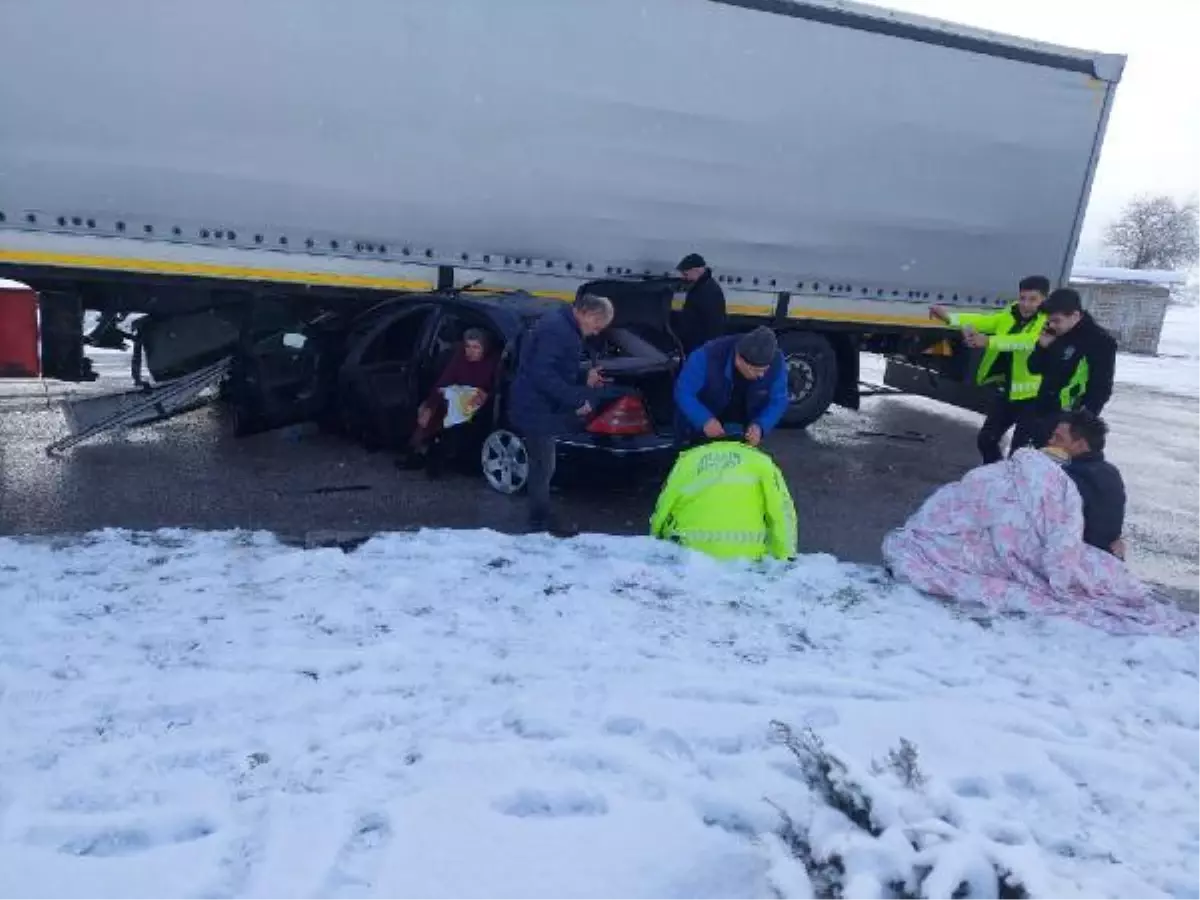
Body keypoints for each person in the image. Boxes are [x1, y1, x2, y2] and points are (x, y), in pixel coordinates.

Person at [509, 293, 614, 535]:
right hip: (535, 406)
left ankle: (540, 517)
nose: (597, 332)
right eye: (597, 325)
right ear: (588, 314)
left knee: (543, 465)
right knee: (543, 465)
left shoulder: (561, 323)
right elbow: (543, 375)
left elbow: (553, 368)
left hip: (536, 403)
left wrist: (582, 377)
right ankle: (538, 522)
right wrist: (577, 398)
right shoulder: (560, 331)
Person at [930, 275, 1048, 463]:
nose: (1026, 304)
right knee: (986, 440)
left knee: (1020, 452)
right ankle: (997, 477)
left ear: (1044, 299)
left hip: (1033, 397)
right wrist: (950, 317)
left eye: (1033, 299)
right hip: (1007, 391)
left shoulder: (1047, 323)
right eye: (1022, 298)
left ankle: (1016, 488)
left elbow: (1025, 342)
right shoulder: (1011, 313)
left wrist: (988, 341)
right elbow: (985, 321)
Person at [650, 437, 797, 562]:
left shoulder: (687, 461)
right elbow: (781, 511)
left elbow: (663, 506)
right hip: (747, 558)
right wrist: (785, 555)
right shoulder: (761, 462)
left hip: (691, 556)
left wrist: (655, 538)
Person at [1025, 287, 1118, 449]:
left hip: (1068, 421)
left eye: (1057, 320)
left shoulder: (1100, 341)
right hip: (1042, 411)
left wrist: (1079, 425)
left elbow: (1101, 388)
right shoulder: (1054, 334)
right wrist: (1041, 347)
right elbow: (1033, 368)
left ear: (1075, 315)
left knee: (1054, 466)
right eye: (1050, 320)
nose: (1052, 325)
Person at [399, 328, 498, 476]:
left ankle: (444, 457)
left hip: (477, 406)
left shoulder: (492, 364)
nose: (470, 351)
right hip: (453, 402)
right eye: (468, 346)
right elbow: (444, 382)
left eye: (476, 347)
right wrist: (430, 405)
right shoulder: (459, 360)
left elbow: (493, 388)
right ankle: (418, 453)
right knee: (429, 413)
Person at [673, 326, 788, 448]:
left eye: (765, 370)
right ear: (738, 359)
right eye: (755, 370)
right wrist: (704, 420)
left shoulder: (776, 362)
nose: (761, 375)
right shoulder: (707, 355)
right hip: (701, 422)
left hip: (743, 425)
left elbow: (779, 400)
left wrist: (761, 425)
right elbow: (684, 392)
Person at [1045, 409, 1127, 559]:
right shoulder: (1110, 472)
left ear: (1081, 445)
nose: (1050, 442)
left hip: (1076, 562)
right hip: (1107, 559)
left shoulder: (1067, 479)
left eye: (1058, 438)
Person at [676, 253, 727, 354]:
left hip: (701, 344)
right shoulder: (702, 286)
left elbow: (712, 323)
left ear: (696, 270)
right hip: (700, 343)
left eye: (686, 274)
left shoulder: (708, 291)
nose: (683, 277)